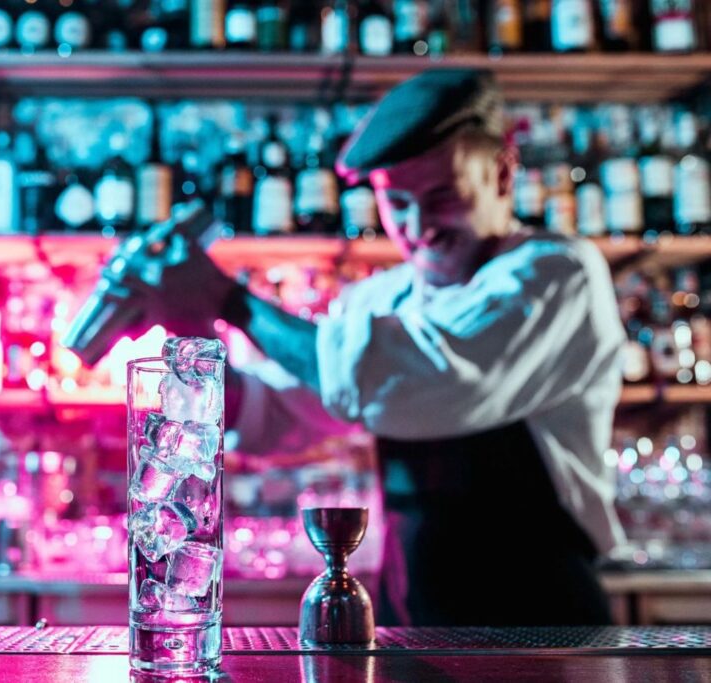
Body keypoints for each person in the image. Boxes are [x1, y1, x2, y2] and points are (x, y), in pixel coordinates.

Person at [123, 68, 625, 626]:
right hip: (411, 611)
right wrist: (193, 341)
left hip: (542, 614)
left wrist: (233, 303)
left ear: (504, 173)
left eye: (441, 196)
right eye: (397, 202)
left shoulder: (555, 274)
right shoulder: (381, 298)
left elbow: (425, 381)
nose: (418, 227)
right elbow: (291, 410)